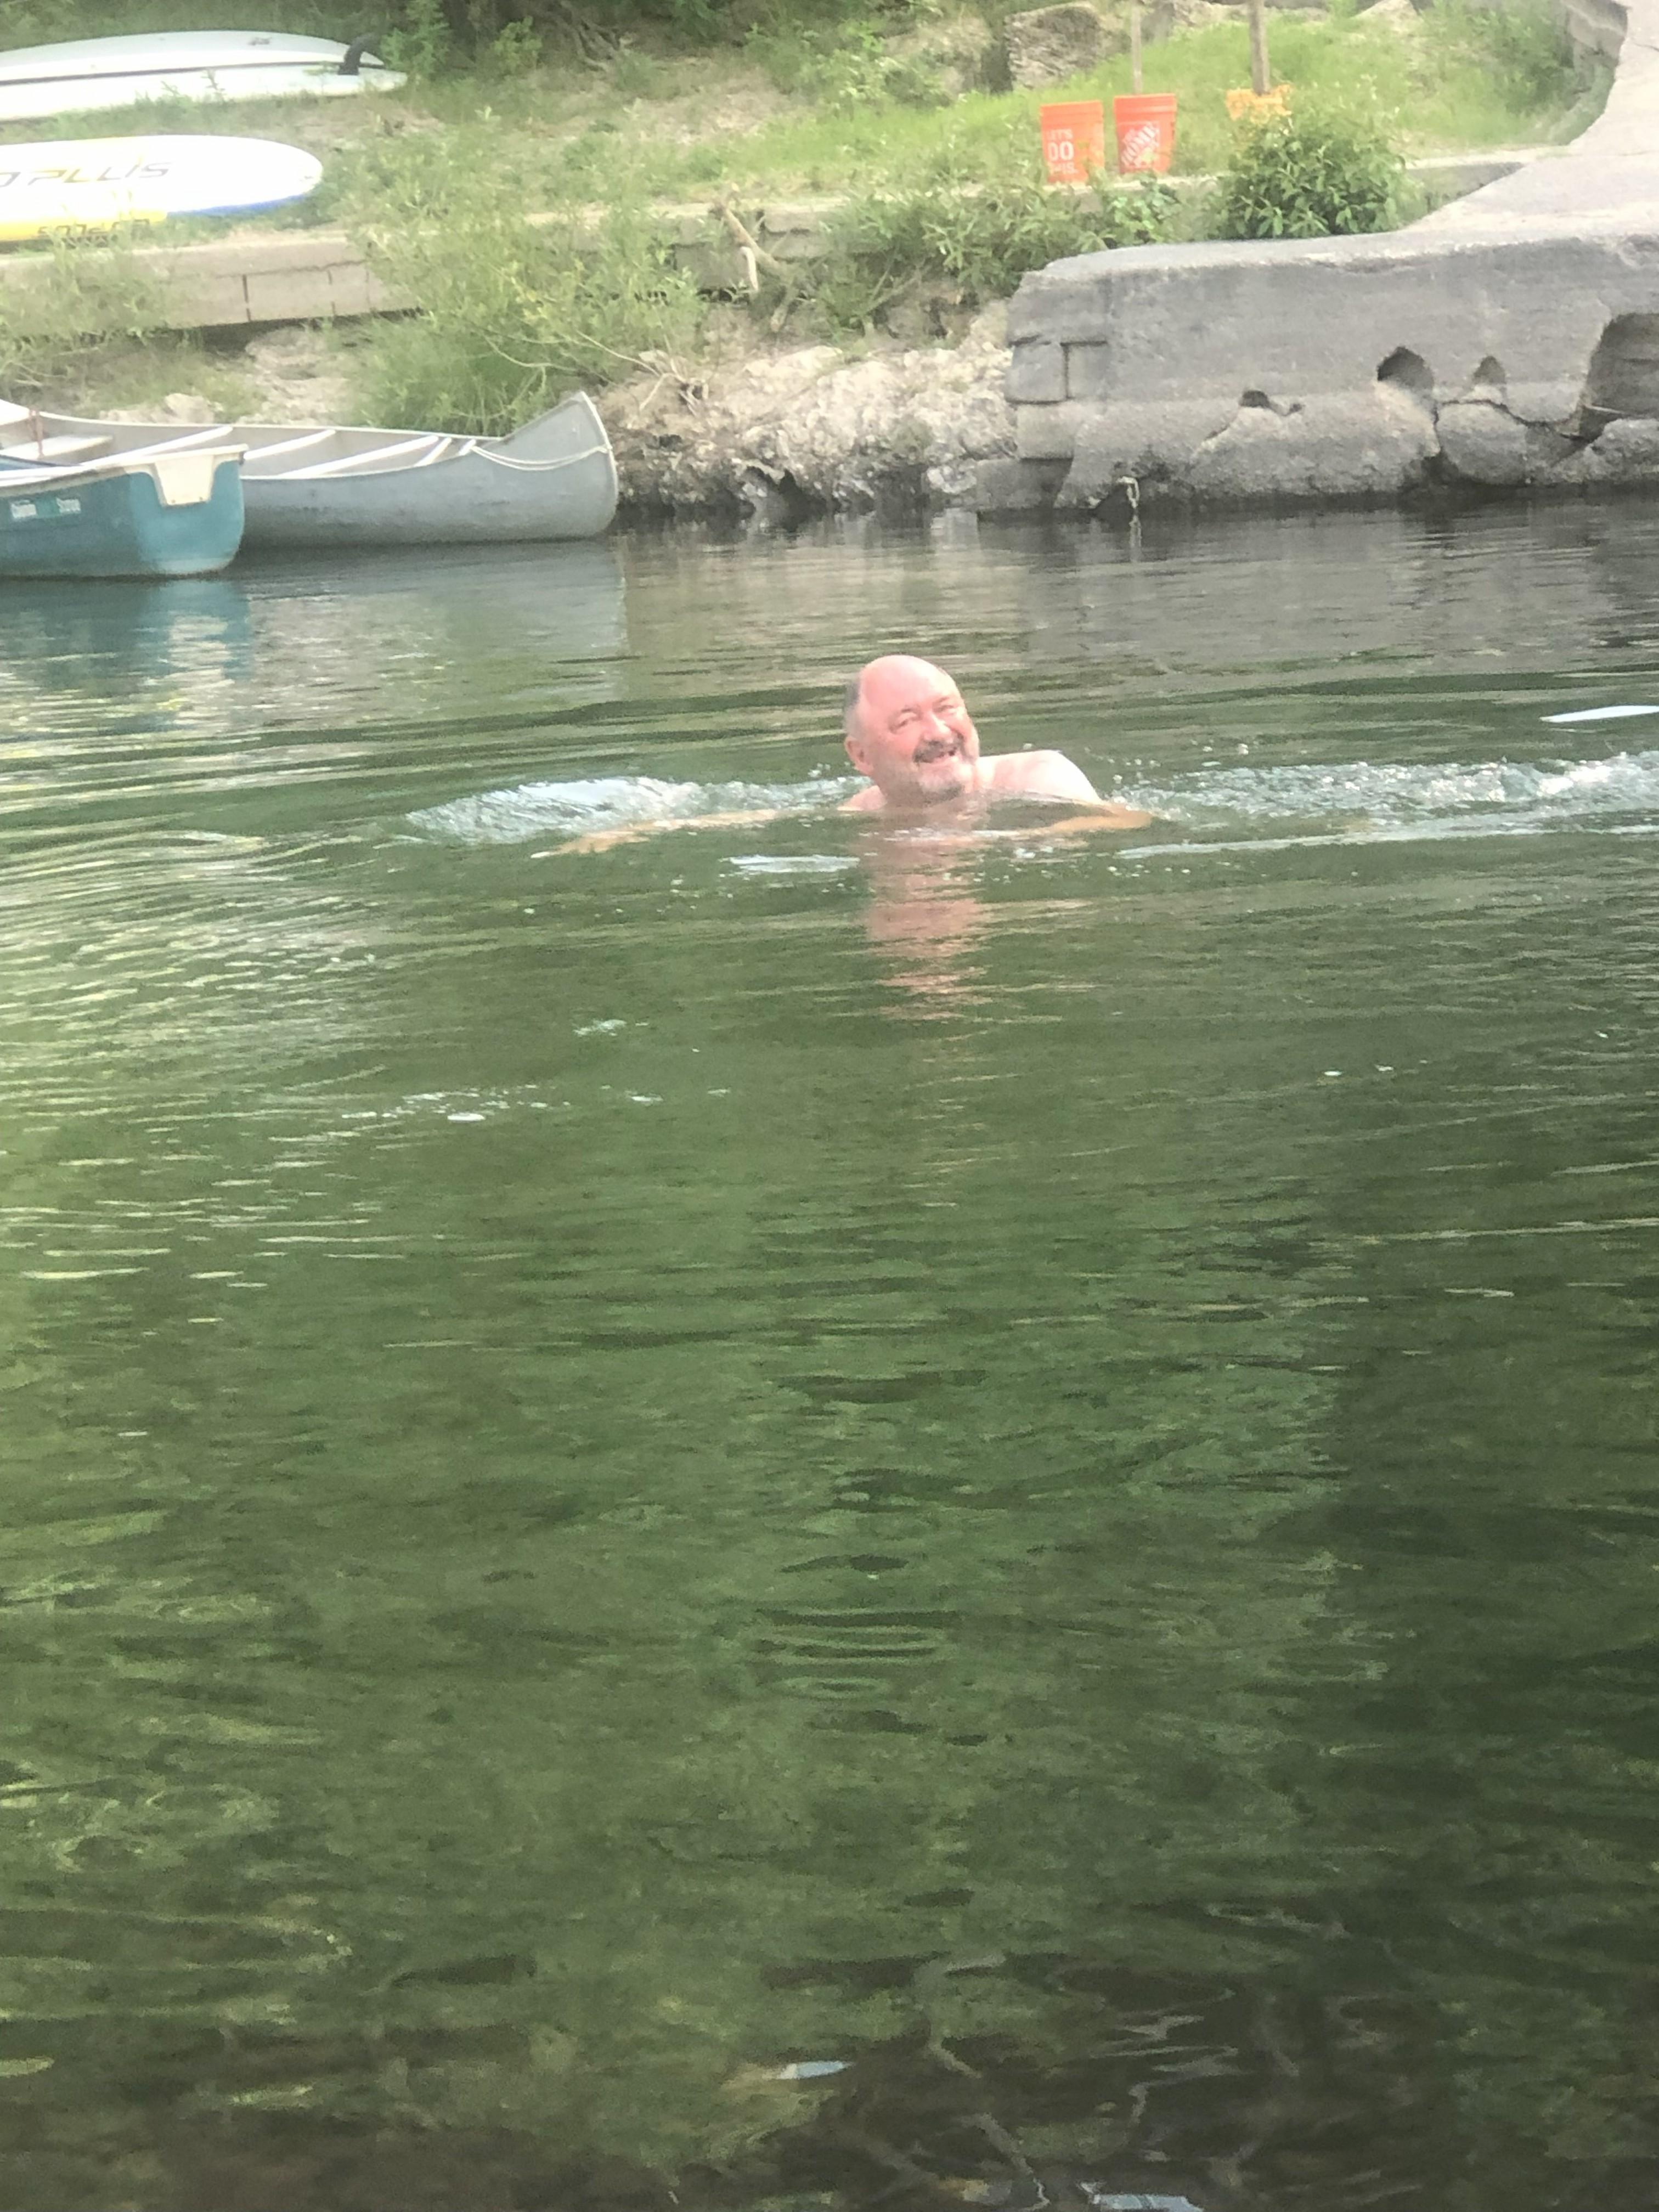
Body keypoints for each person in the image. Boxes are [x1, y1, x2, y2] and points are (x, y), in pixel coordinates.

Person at [840, 654, 1150, 827]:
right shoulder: (859, 815)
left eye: (946, 709)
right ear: (862, 756)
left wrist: (997, 842)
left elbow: (1127, 824)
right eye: (907, 721)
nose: (939, 732)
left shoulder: (1040, 778)